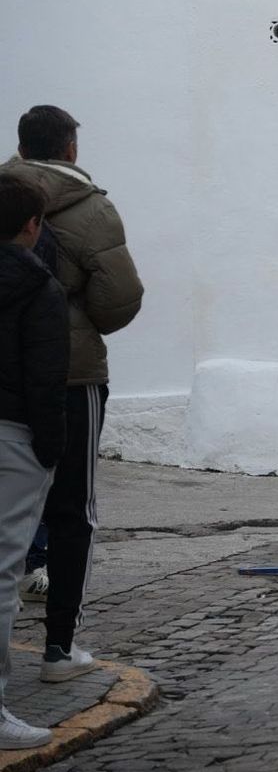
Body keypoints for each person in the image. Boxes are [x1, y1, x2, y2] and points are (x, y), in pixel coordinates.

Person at [0, 106, 142, 683]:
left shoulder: (4, 197)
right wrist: (71, 317)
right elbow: (121, 297)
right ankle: (60, 649)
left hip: (4, 376)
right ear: (71, 150)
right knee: (72, 511)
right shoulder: (93, 209)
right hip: (72, 374)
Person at [0, 173, 68, 749]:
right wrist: (51, 450)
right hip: (13, 435)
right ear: (31, 225)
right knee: (3, 574)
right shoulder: (36, 286)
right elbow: (47, 379)